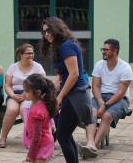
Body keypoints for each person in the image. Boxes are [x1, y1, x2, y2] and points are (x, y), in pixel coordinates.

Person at [40, 17, 94, 163]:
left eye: (49, 30)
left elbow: (74, 74)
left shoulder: (66, 46)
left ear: (57, 29)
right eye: (44, 32)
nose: (46, 35)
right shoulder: (61, 46)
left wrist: (59, 97)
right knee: (67, 135)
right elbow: (62, 77)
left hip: (76, 96)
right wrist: (50, 93)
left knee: (62, 136)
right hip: (73, 95)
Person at [81, 39, 133, 158]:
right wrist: (100, 101)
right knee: (92, 112)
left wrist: (104, 106)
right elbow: (95, 87)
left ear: (114, 51)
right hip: (100, 96)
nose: (103, 52)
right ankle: (90, 144)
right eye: (102, 49)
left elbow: (120, 93)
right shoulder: (99, 64)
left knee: (107, 116)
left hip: (120, 99)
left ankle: (92, 146)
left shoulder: (125, 68)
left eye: (106, 50)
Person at [0, 43, 45, 148]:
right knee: (11, 110)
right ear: (20, 54)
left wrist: (27, 94)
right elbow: (7, 85)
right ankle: (3, 137)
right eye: (28, 53)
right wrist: (13, 95)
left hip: (30, 95)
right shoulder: (13, 67)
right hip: (14, 94)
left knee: (24, 109)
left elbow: (43, 83)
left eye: (32, 53)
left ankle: (31, 138)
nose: (31, 55)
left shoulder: (38, 67)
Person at [23, 73, 58, 163]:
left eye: (26, 91)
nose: (24, 94)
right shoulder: (38, 104)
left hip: (42, 144)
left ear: (38, 93)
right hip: (39, 144)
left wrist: (31, 155)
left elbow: (37, 135)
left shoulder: (37, 111)